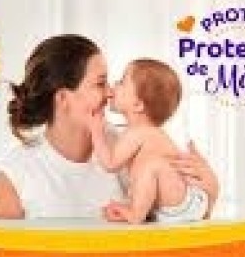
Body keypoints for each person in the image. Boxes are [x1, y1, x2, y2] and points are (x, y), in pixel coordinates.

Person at [0, 34, 218, 220]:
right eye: (100, 83)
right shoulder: (19, 171)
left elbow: (177, 222)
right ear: (63, 98)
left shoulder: (130, 149)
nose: (109, 92)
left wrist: (210, 194)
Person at [89, 58, 208, 224]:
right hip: (178, 203)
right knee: (145, 172)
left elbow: (110, 163)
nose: (114, 85)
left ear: (138, 105)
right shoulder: (143, 132)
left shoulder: (139, 132)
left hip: (182, 202)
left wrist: (96, 131)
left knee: (152, 166)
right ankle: (140, 209)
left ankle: (136, 213)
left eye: (122, 82)